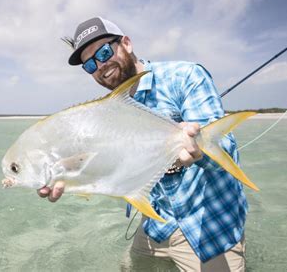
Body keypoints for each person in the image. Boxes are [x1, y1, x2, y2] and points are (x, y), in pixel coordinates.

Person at [38, 17, 248, 271]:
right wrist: (69, 178)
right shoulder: (108, 110)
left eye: (104, 52)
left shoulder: (184, 76)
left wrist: (199, 151)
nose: (101, 66)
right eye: (90, 65)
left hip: (209, 227)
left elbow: (225, 149)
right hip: (155, 226)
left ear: (126, 43)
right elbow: (107, 163)